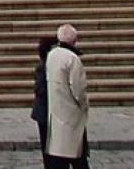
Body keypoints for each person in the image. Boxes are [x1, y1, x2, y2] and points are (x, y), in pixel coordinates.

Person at [45, 23, 89, 167]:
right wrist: (84, 105)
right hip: (71, 112)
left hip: (56, 109)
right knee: (76, 153)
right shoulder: (72, 59)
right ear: (74, 40)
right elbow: (78, 89)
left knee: (58, 151)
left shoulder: (51, 55)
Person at [32, 35, 58, 157]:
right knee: (48, 148)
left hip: (52, 112)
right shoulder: (43, 67)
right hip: (45, 112)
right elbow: (40, 89)